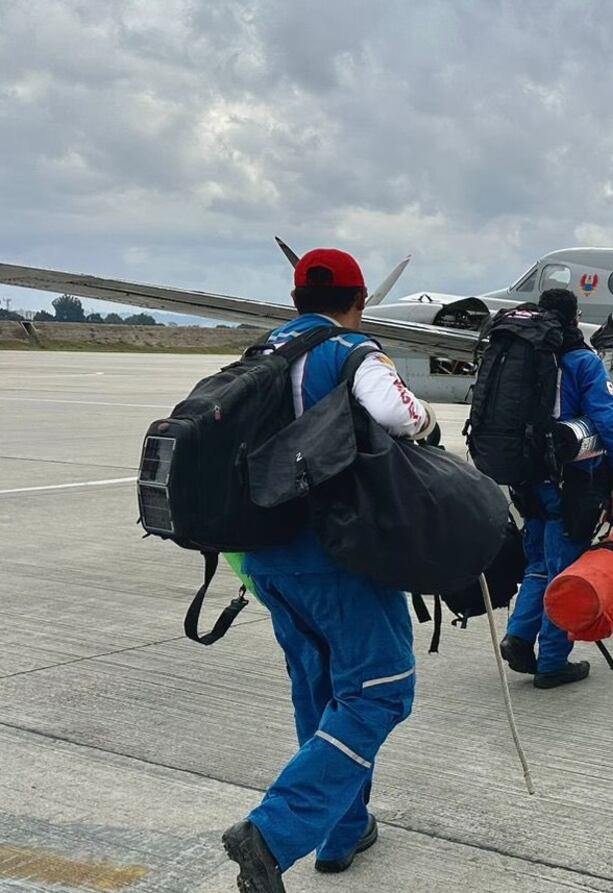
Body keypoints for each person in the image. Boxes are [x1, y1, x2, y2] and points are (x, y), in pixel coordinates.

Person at [223, 248, 436, 892]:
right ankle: (275, 830)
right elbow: (401, 414)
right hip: (338, 556)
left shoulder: (259, 355)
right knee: (379, 692)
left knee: (319, 693)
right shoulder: (350, 352)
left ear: (295, 300)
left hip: (263, 560)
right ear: (360, 299)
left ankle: (342, 833)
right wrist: (428, 421)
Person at [498, 288, 613, 689]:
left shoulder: (522, 354)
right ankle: (553, 663)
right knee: (566, 571)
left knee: (539, 564)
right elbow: (609, 421)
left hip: (525, 476)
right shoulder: (580, 360)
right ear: (575, 316)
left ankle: (520, 636)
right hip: (570, 481)